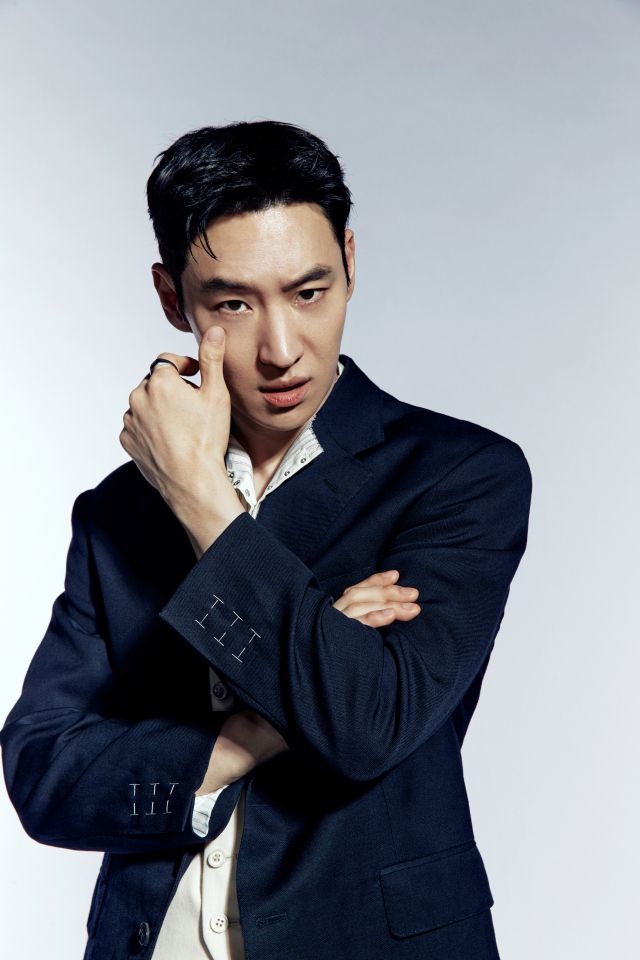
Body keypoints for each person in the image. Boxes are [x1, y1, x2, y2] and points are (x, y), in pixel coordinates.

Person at [0, 120, 532, 960]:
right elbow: (42, 775)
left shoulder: (459, 475)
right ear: (172, 297)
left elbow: (366, 726)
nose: (283, 350)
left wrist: (204, 502)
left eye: (309, 293)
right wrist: (252, 735)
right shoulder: (116, 513)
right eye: (234, 304)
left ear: (350, 262)